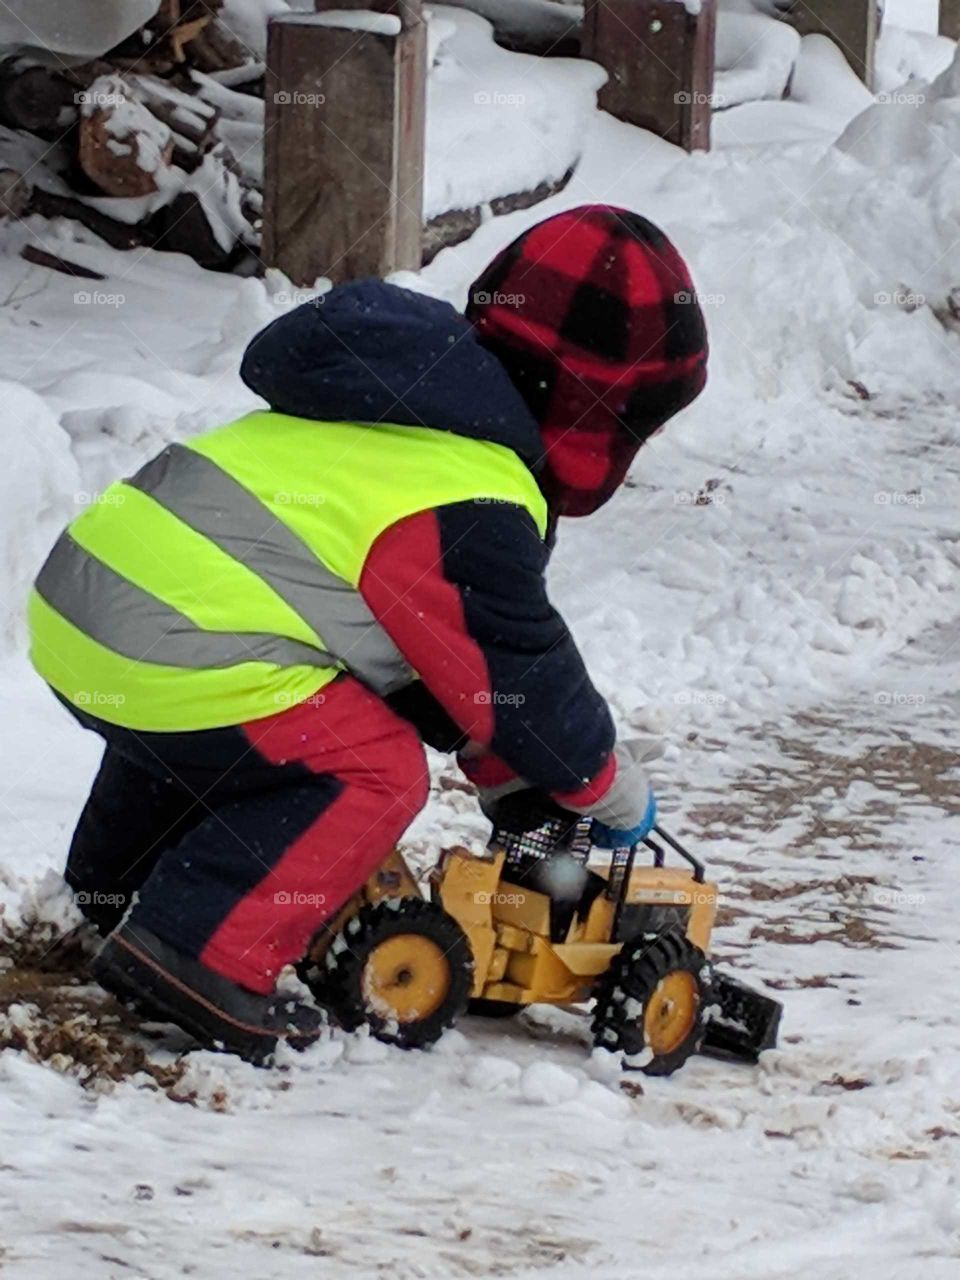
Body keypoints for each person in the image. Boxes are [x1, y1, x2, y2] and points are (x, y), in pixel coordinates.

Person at [28, 204, 708, 1063]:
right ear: (593, 410)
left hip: (88, 612)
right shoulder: (467, 487)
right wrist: (599, 780)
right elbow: (516, 672)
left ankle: (113, 896)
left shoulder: (395, 403)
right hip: (175, 639)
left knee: (226, 742)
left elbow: (432, 661)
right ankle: (199, 954)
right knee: (370, 768)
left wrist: (505, 774)